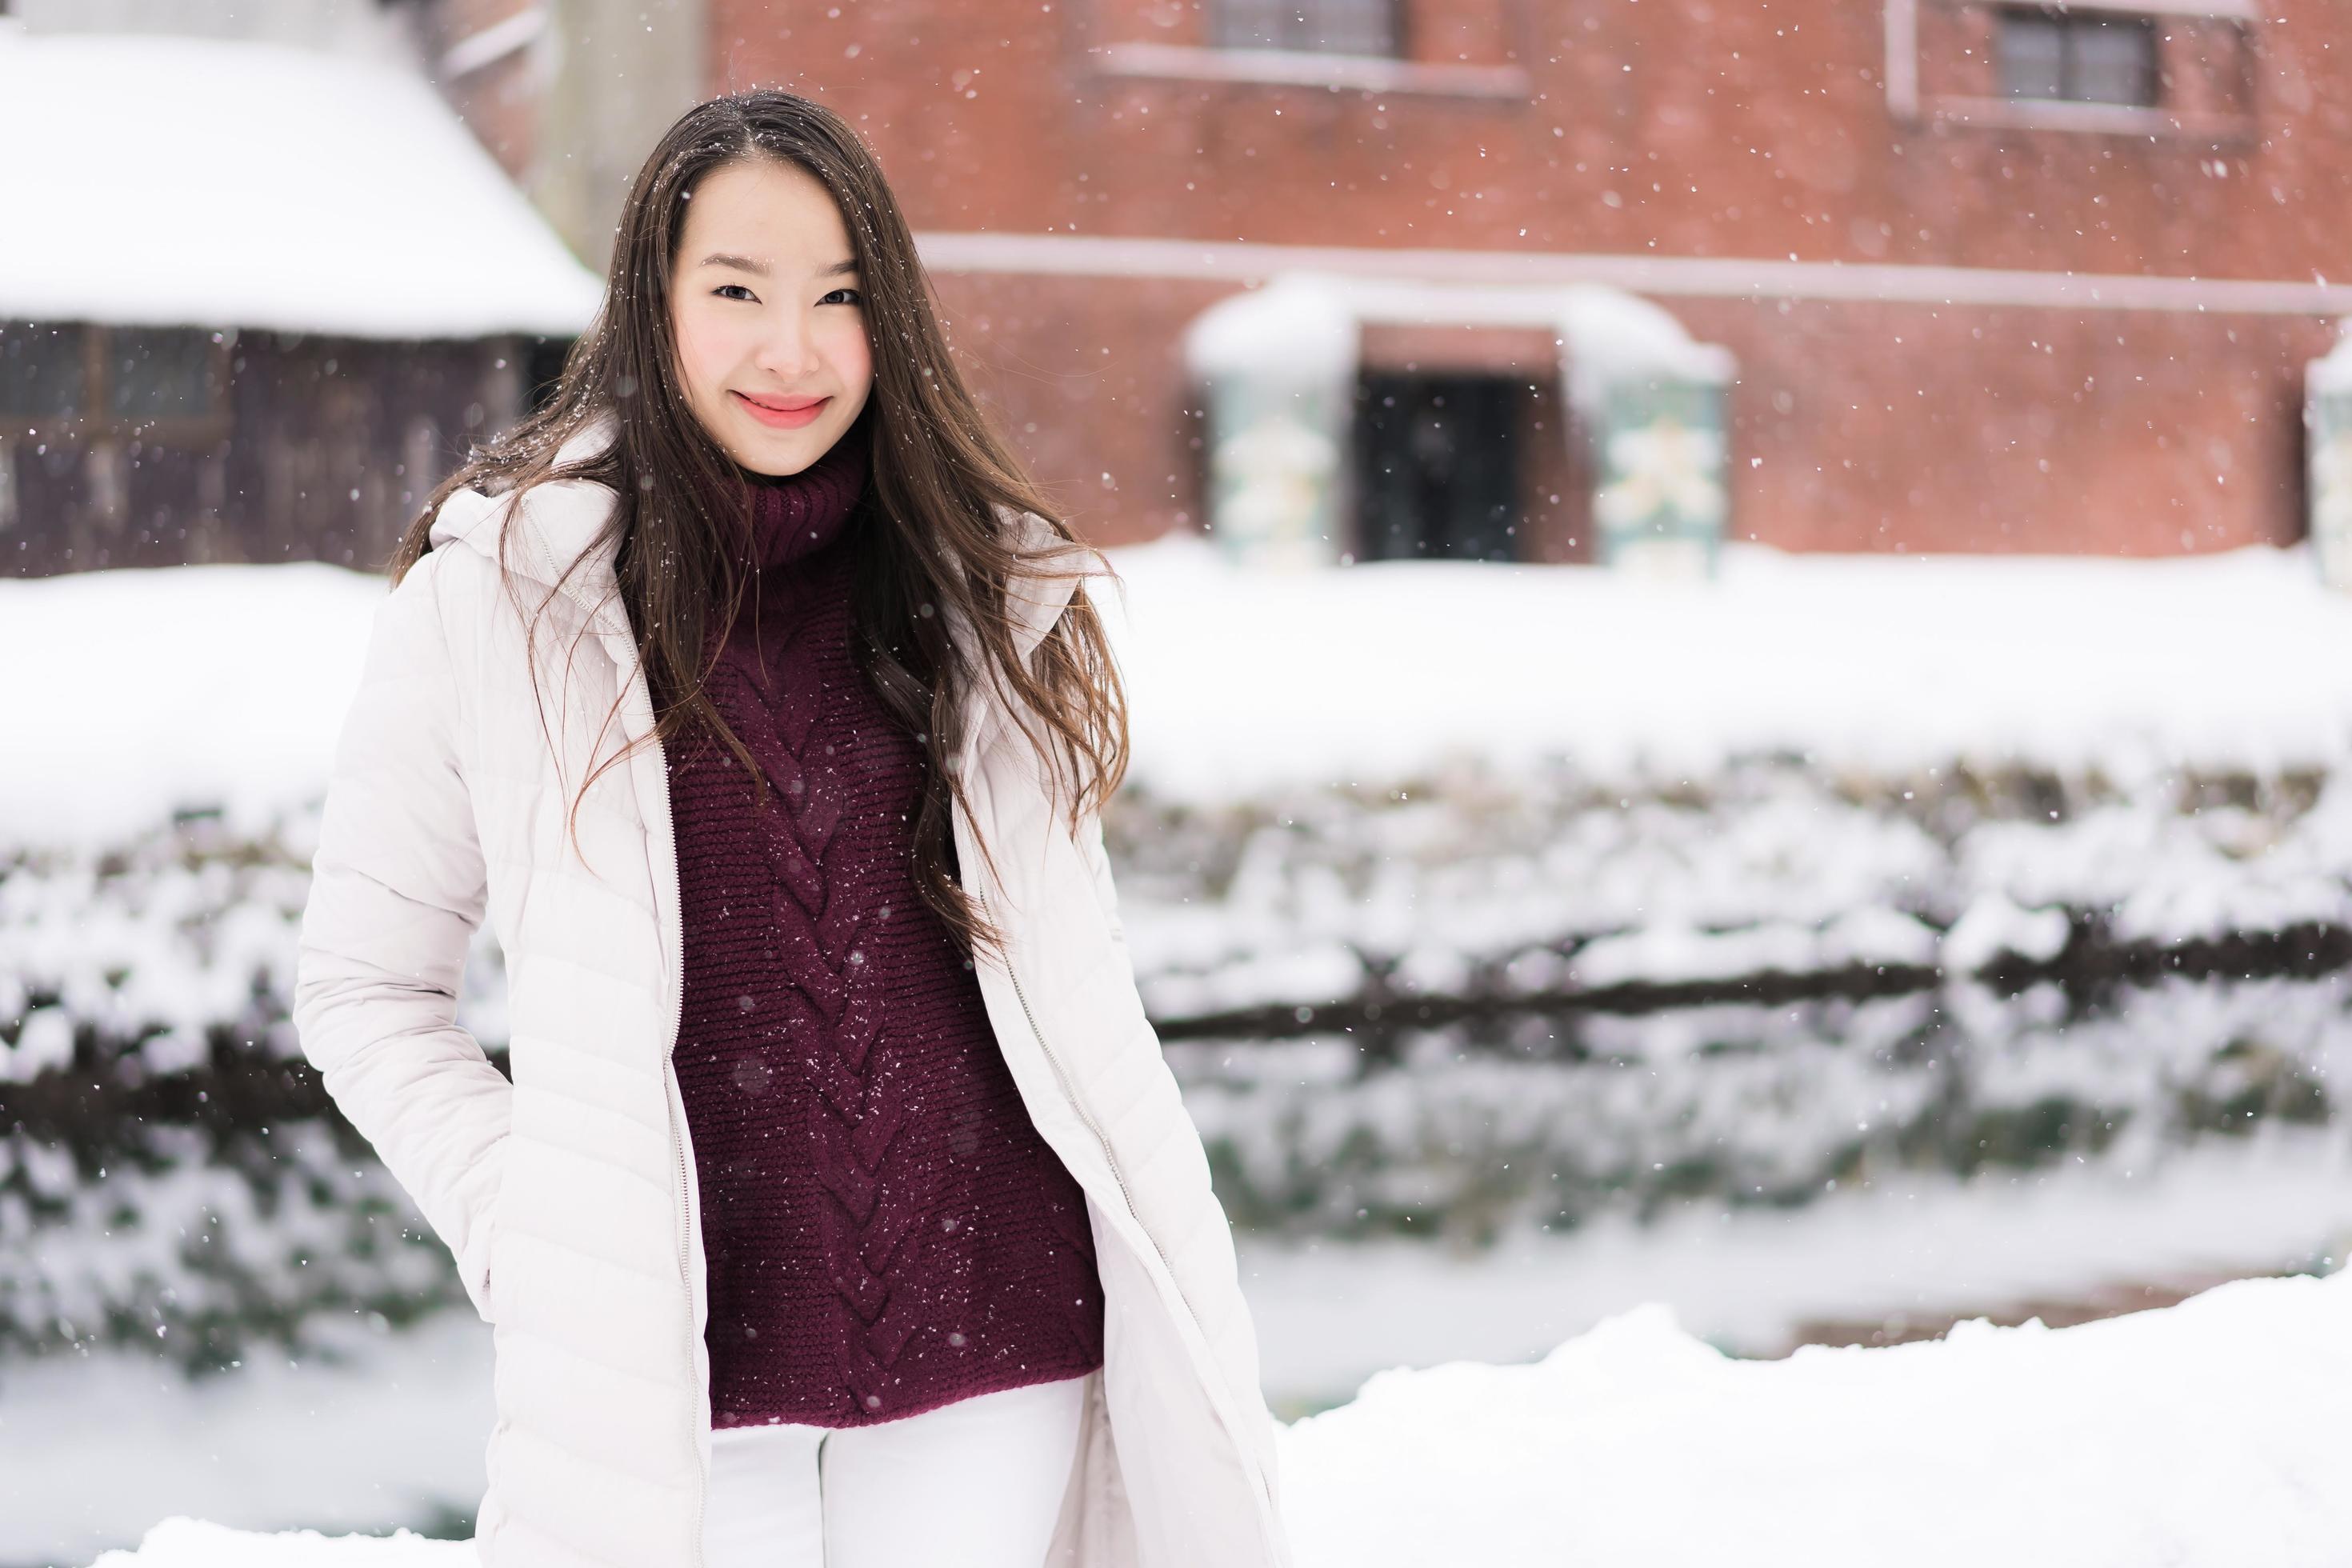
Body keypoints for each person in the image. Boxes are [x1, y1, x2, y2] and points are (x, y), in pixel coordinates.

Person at [291, 88, 1291, 1568]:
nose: (792, 349)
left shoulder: (978, 593)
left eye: (839, 298)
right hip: (676, 1388)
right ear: (654, 305)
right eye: (739, 291)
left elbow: (1068, 990)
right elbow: (365, 991)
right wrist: (542, 1221)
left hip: (1004, 1343)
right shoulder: (504, 598)